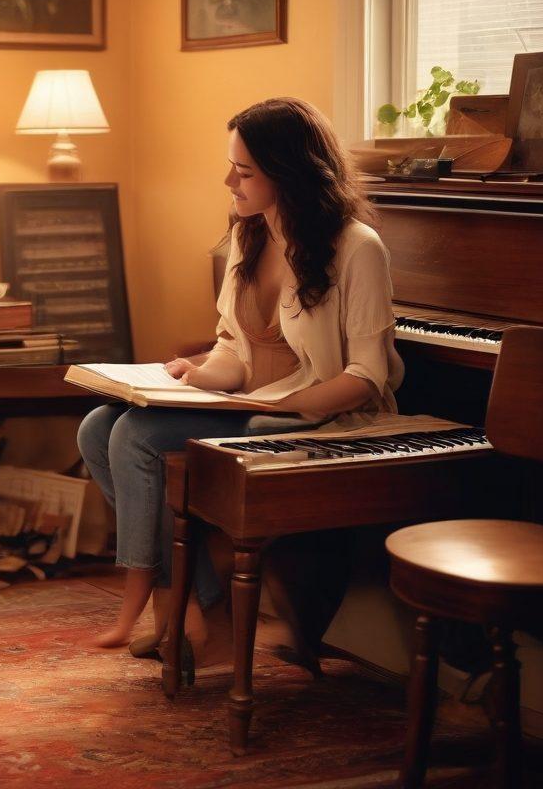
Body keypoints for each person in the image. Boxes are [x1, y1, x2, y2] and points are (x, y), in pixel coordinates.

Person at [78, 96, 403, 658]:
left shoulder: (356, 247)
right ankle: (201, 596)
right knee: (95, 426)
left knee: (135, 438)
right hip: (251, 403)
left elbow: (367, 376)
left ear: (289, 173)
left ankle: (176, 601)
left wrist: (287, 407)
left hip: (322, 417)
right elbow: (235, 349)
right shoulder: (249, 234)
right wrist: (193, 376)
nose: (229, 180)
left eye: (245, 170)